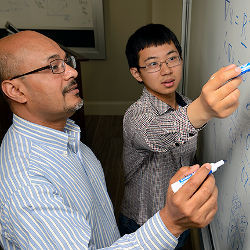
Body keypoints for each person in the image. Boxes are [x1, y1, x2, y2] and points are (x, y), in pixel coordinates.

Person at [0, 31, 238, 249]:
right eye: (54, 66)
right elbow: (156, 133)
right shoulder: (28, 184)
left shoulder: (66, 135)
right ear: (16, 91)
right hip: (145, 222)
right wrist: (172, 222)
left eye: (66, 62)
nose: (73, 72)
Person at [119, 23, 242, 247]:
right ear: (137, 73)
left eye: (172, 58)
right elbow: (158, 134)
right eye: (153, 64)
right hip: (144, 221)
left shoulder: (186, 104)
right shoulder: (135, 116)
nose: (166, 70)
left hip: (183, 215)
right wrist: (203, 109)